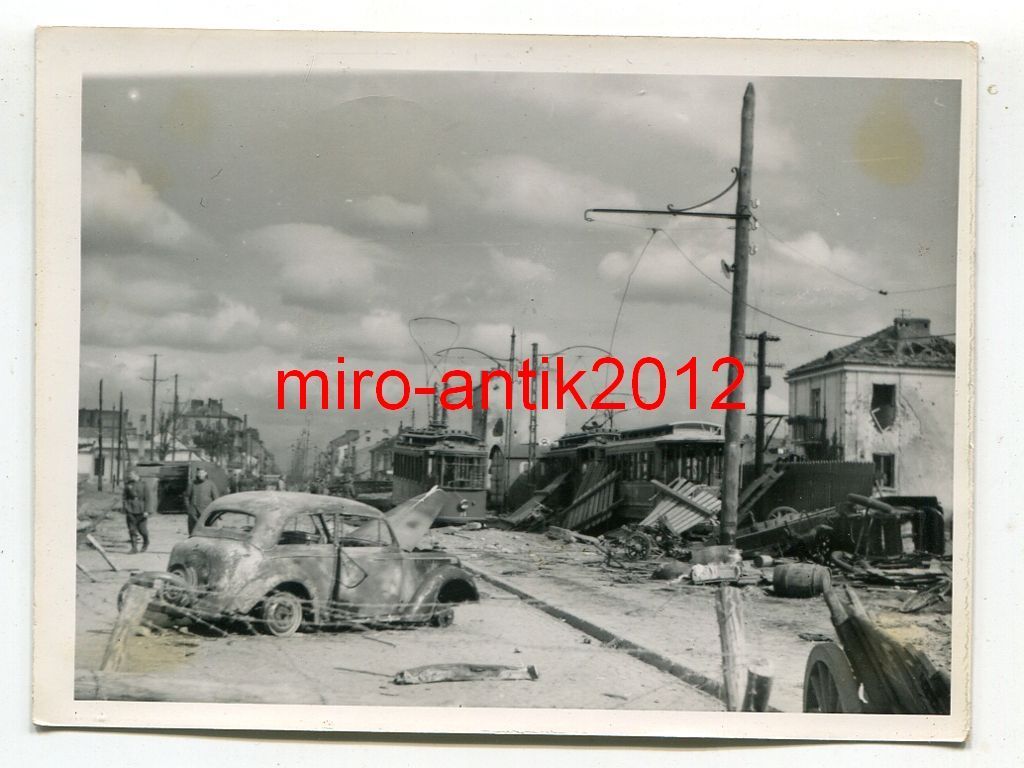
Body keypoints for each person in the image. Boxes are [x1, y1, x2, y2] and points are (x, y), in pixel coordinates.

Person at [122, 471, 151, 553]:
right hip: (130, 509)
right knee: (132, 529)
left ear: (136, 475)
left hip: (141, 510)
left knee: (143, 530)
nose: (130, 476)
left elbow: (148, 499)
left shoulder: (144, 484)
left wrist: (146, 510)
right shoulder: (128, 484)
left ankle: (146, 542)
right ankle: (134, 548)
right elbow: (124, 497)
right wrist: (125, 508)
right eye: (129, 475)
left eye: (131, 475)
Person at [186, 467, 220, 534]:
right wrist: (189, 509)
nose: (200, 475)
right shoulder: (192, 484)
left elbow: (216, 499)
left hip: (207, 512)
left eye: (202, 473)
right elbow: (186, 497)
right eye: (198, 473)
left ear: (205, 473)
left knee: (210, 532)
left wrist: (217, 513)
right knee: (194, 532)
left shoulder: (211, 484)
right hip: (194, 513)